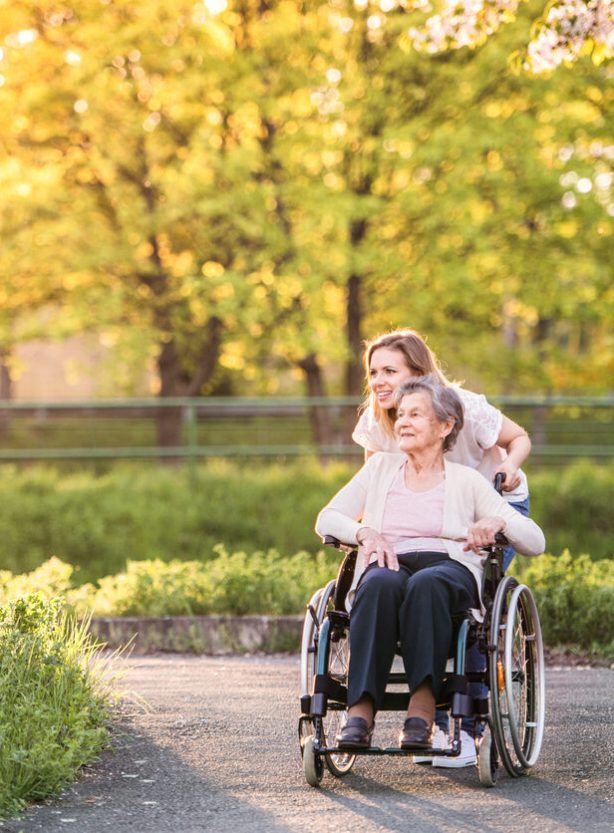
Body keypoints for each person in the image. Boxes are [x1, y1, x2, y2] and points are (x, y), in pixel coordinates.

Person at [315, 376, 545, 754]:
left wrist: (499, 522)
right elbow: (327, 518)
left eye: (416, 414)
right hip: (389, 559)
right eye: (401, 414)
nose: (402, 421)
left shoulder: (467, 481)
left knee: (428, 584)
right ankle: (360, 711)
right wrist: (365, 533)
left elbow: (535, 540)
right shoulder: (379, 470)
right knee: (377, 585)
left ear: (445, 426)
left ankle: (421, 709)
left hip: (448, 567)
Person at [352, 328, 532, 765]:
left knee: (465, 606)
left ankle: (466, 728)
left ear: (418, 371)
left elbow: (519, 437)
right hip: (425, 518)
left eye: (390, 370)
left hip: (490, 503)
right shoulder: (380, 418)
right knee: (389, 583)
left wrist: (507, 467)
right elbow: (375, 488)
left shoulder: (463, 406)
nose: (378, 380)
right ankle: (377, 710)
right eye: (373, 371)